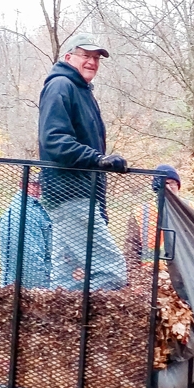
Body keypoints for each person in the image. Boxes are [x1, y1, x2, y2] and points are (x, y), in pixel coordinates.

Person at [38, 32, 129, 291]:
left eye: (97, 58)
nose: (92, 62)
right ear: (68, 57)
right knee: (112, 273)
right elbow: (54, 140)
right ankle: (84, 325)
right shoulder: (61, 86)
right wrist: (98, 159)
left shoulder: (82, 91)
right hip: (70, 194)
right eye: (86, 56)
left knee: (63, 279)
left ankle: (56, 325)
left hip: (78, 195)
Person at [0, 172, 52, 289]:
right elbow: (29, 260)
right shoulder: (23, 213)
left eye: (41, 185)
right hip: (28, 291)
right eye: (34, 185)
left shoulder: (37, 208)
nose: (39, 189)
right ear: (22, 185)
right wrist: (41, 291)